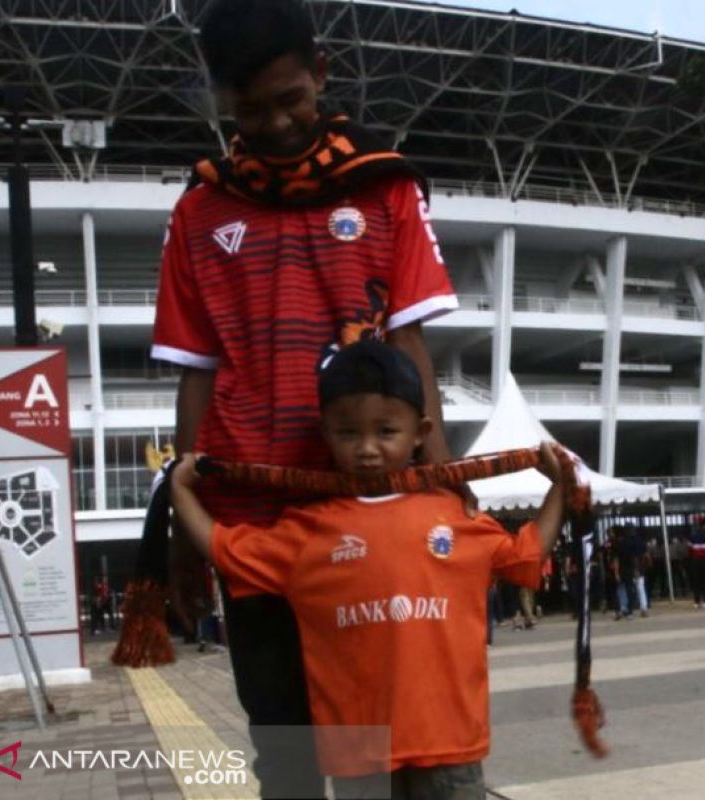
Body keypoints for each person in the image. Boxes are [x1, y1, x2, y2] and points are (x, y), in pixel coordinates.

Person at [150, 1, 459, 795]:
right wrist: (189, 529)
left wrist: (442, 486)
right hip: (251, 514)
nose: (276, 124)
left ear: (321, 75)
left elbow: (412, 347)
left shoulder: (386, 187)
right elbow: (197, 371)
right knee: (281, 740)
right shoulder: (197, 212)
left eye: (290, 99)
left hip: (366, 510)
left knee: (369, 737)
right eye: (249, 110)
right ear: (223, 104)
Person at [169, 339, 567, 798]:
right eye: (348, 433)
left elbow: (525, 557)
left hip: (449, 742)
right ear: (325, 434)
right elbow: (225, 549)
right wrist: (181, 494)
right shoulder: (306, 532)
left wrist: (558, 488)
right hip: (359, 755)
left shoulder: (454, 517)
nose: (368, 449)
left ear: (421, 432)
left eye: (385, 431)